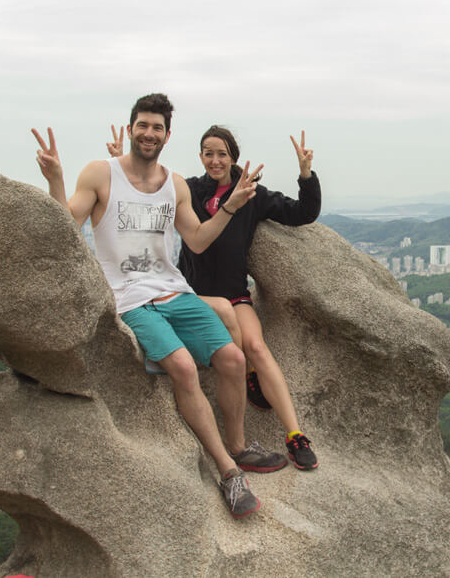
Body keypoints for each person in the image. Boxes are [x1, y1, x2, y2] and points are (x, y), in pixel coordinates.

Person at [33, 93, 286, 519]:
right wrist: (55, 181)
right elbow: (67, 225)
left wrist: (231, 206)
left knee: (232, 358)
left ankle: (239, 447)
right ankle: (227, 472)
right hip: (127, 297)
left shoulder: (175, 185)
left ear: (167, 136)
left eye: (157, 128)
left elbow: (198, 239)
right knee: (185, 368)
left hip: (174, 292)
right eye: (142, 125)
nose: (148, 133)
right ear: (131, 128)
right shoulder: (101, 173)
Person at [106, 124, 321, 470]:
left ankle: (295, 434)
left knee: (256, 346)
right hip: (189, 295)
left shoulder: (252, 193)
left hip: (234, 294)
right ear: (200, 156)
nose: (215, 160)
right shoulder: (190, 189)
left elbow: (302, 214)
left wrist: (306, 174)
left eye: (222, 153)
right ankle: (244, 383)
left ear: (233, 157)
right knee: (227, 330)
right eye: (208, 152)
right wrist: (120, 162)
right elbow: (144, 195)